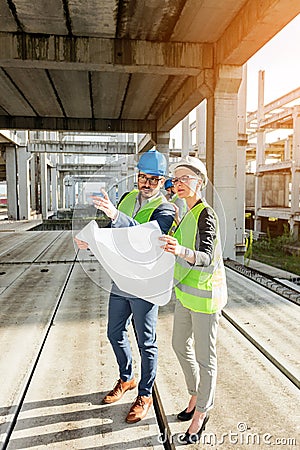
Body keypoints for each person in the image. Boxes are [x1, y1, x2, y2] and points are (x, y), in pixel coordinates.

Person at [75, 148, 175, 424]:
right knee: (113, 331)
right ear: (138, 176)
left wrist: (116, 215)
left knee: (146, 342)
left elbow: (148, 239)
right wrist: (91, 241)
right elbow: (114, 237)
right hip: (122, 279)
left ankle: (144, 394)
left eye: (155, 179)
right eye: (144, 177)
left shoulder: (167, 208)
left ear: (161, 181)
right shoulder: (129, 198)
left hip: (146, 284)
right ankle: (127, 378)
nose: (148, 183)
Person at [160, 156, 227, 444]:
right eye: (176, 179)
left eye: (186, 178)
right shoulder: (183, 212)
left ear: (200, 181)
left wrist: (179, 251)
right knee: (178, 345)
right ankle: (195, 394)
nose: (180, 183)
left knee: (205, 358)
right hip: (185, 295)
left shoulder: (205, 214)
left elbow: (206, 256)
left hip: (206, 299)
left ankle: (202, 413)